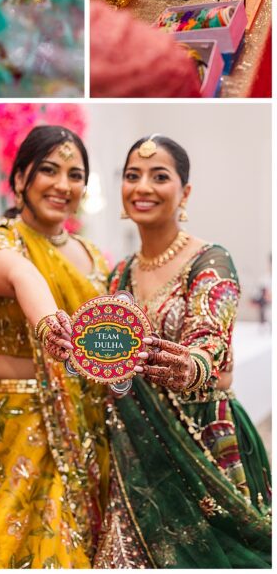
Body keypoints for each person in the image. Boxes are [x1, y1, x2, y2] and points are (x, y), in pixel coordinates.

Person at [94, 135, 272, 568]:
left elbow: (209, 342)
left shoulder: (210, 260)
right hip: (135, 451)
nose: (143, 187)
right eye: (132, 176)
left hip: (204, 441)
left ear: (184, 192)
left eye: (160, 176)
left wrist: (192, 365)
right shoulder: (118, 275)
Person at [0, 125, 111, 568]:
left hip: (86, 425)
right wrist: (50, 324)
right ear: (21, 177)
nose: (63, 185)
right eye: (49, 170)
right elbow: (21, 275)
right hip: (18, 426)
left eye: (75, 174)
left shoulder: (94, 256)